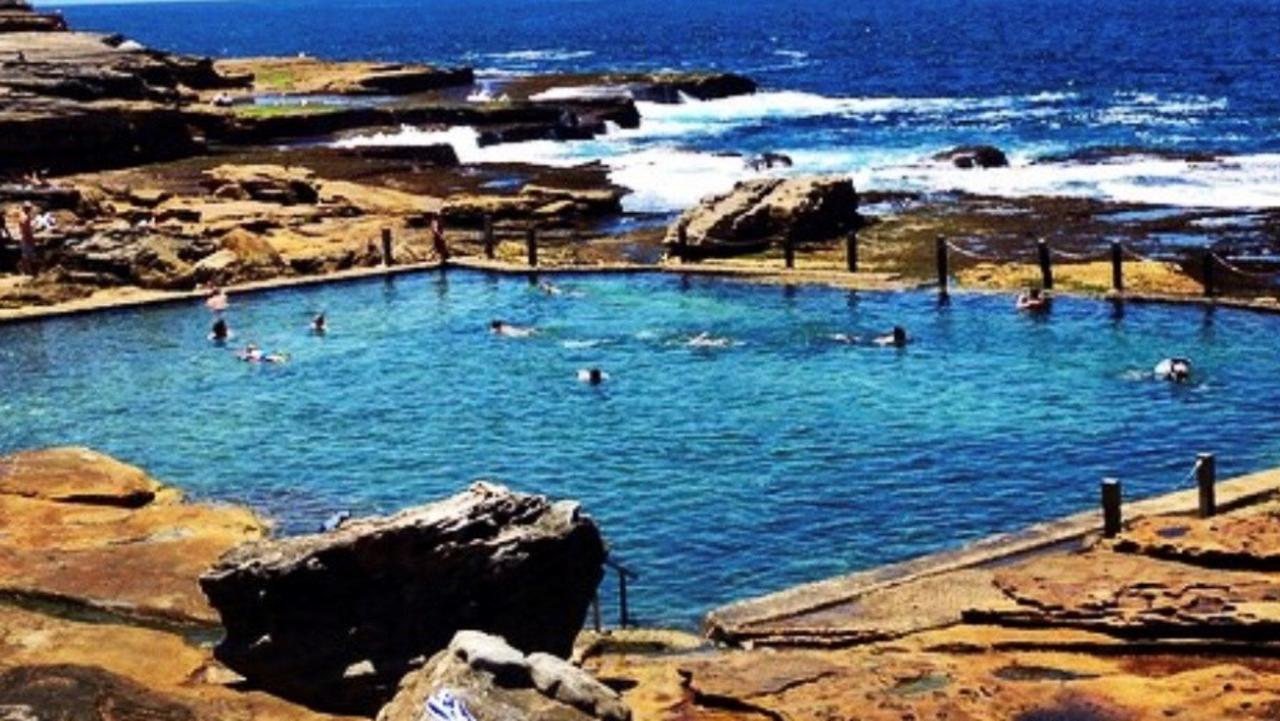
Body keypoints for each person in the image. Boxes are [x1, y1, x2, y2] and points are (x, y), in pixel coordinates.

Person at [17, 203, 36, 276]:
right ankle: (27, 270)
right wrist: (31, 238)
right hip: (26, 237)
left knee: (26, 255)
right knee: (28, 256)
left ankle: (26, 270)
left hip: (24, 237)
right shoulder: (26, 217)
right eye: (29, 208)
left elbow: (23, 228)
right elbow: (27, 230)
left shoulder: (23, 216)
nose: (29, 209)